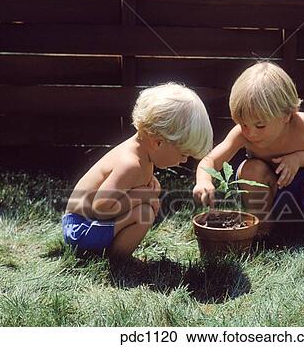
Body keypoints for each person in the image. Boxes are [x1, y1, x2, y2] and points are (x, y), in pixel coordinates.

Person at [193, 62, 304, 242]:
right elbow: (211, 160)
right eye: (243, 124)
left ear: (286, 116)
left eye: (260, 125)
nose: (250, 133)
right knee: (250, 169)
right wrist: (203, 181)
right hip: (272, 196)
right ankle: (264, 229)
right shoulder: (242, 135)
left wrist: (299, 158)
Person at [63, 83, 213, 258]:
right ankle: (117, 260)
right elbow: (100, 207)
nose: (184, 160)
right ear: (158, 142)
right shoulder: (130, 164)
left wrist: (145, 192)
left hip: (87, 224)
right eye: (183, 154)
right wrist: (143, 196)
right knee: (144, 213)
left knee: (143, 209)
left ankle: (112, 254)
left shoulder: (143, 155)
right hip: (79, 230)